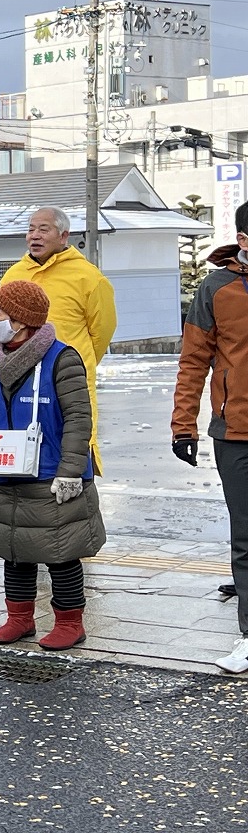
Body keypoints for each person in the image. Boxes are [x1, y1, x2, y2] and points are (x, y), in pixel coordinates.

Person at [0, 280, 104, 651]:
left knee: (59, 552)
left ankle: (69, 622)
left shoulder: (63, 358)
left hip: (50, 474)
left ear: (22, 321)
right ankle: (19, 618)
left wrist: (70, 472)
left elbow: (80, 418)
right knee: (13, 549)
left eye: (0, 312)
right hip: (7, 466)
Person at [172, 201, 248, 673]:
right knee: (246, 536)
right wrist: (184, 425)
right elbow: (193, 361)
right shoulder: (216, 288)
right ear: (243, 239)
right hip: (235, 432)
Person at [0, 206, 116, 473]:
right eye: (31, 229)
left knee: (71, 446)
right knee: (19, 447)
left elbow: (102, 331)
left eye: (44, 229)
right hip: (19, 377)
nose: (34, 236)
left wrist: (74, 365)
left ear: (64, 236)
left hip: (67, 378)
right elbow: (4, 326)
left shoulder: (88, 277)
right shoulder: (14, 274)